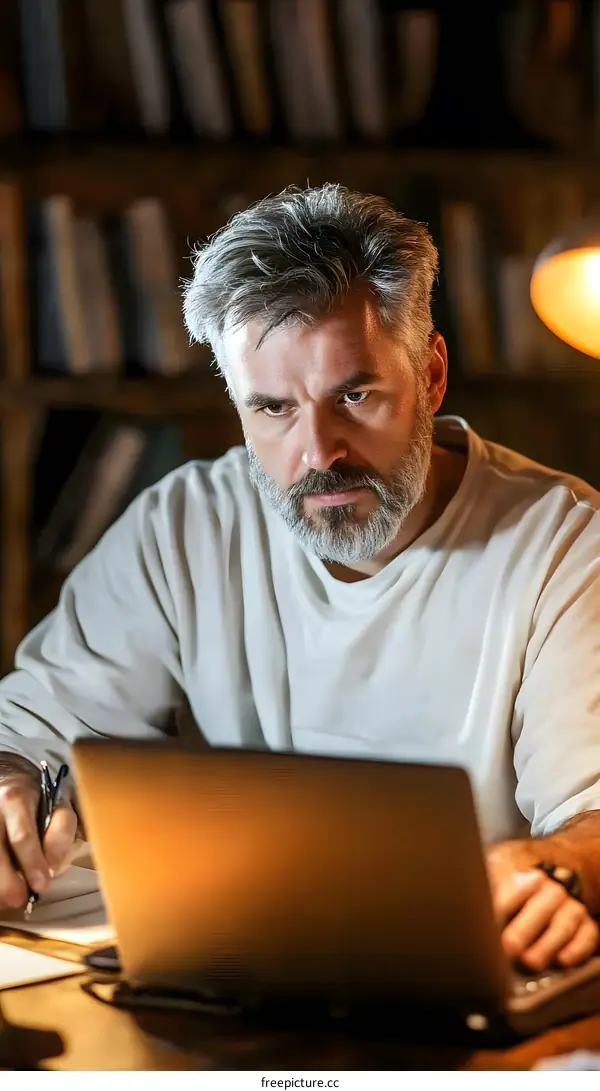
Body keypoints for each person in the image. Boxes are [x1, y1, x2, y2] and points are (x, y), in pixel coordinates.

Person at [0, 183, 599, 974]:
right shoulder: (183, 526)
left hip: (458, 978)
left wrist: (558, 869)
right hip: (226, 968)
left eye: (355, 395)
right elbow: (26, 738)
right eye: (273, 409)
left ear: (432, 373)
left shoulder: (563, 541)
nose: (319, 454)